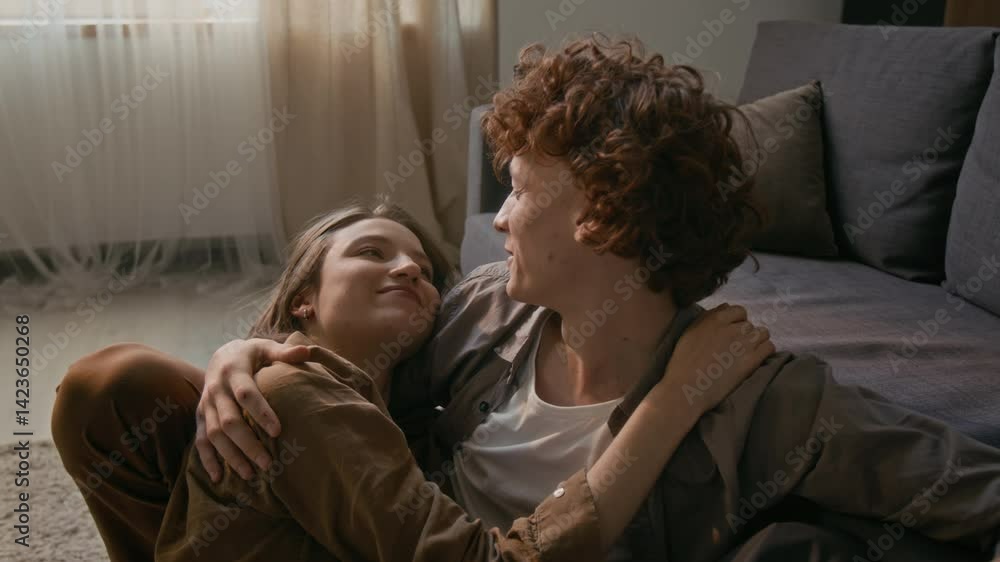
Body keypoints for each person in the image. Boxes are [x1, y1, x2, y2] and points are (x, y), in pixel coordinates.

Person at [199, 36, 1000, 562]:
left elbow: (974, 490)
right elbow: (347, 390)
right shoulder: (486, 308)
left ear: (600, 212)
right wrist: (243, 352)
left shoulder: (769, 398)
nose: (499, 218)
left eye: (518, 191)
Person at [51, 201, 773, 561]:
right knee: (117, 388)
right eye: (371, 253)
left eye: (425, 272)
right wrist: (675, 397)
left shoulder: (414, 417)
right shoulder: (292, 393)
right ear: (303, 299)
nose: (407, 269)